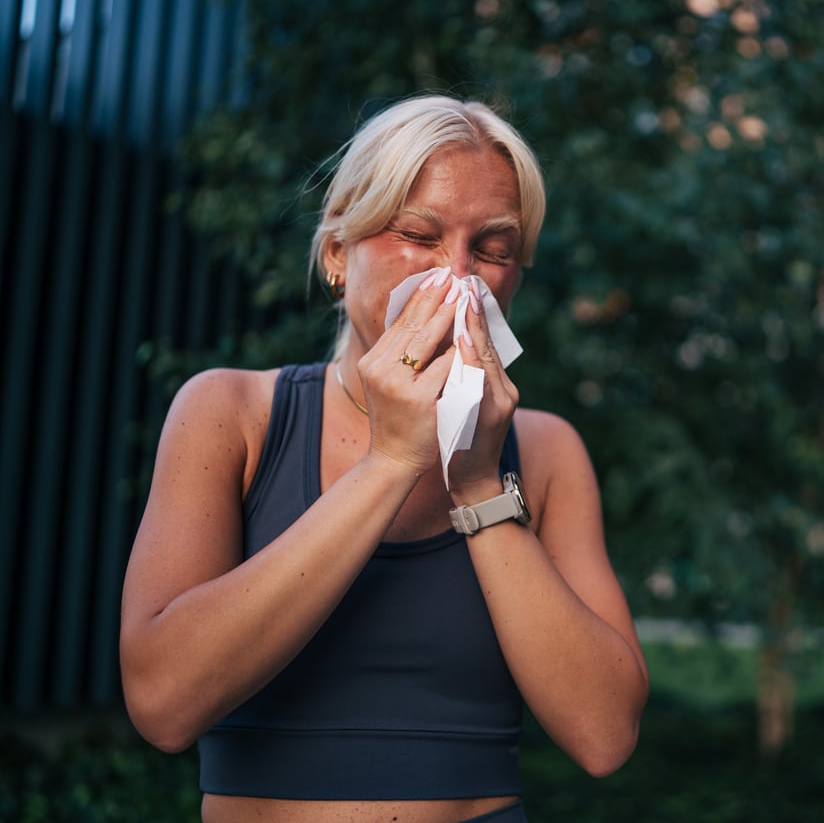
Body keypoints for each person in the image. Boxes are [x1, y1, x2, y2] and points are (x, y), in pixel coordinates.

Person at [119, 94, 649, 823]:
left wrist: (478, 484)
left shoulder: (546, 451)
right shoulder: (229, 413)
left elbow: (605, 736)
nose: (456, 274)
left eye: (493, 250)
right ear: (338, 251)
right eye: (418, 235)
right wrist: (392, 460)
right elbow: (163, 704)